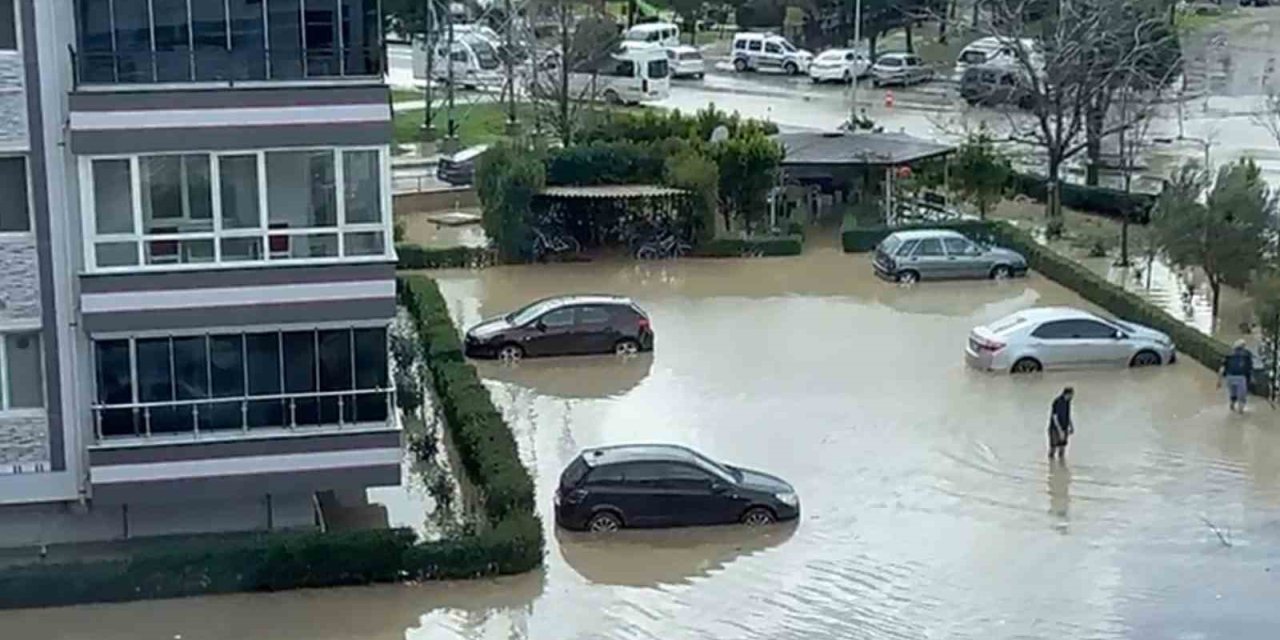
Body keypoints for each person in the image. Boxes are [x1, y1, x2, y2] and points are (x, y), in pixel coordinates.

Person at [1218, 339, 1253, 413]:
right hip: (1241, 377)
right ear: (1243, 346)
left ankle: (1232, 406)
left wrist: (1219, 381)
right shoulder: (1247, 355)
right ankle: (1240, 411)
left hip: (1229, 377)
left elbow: (1222, 368)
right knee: (1241, 397)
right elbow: (1250, 368)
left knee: (1233, 394)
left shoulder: (1228, 355)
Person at [1048, 387, 1074, 461]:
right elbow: (1054, 417)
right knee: (1053, 448)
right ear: (1067, 394)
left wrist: (1071, 426)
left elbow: (1068, 415)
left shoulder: (1068, 402)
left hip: (1064, 427)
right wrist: (1060, 431)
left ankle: (1061, 465)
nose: (1072, 397)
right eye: (1071, 395)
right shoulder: (1057, 402)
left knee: (1062, 447)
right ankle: (1051, 464)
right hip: (1055, 428)